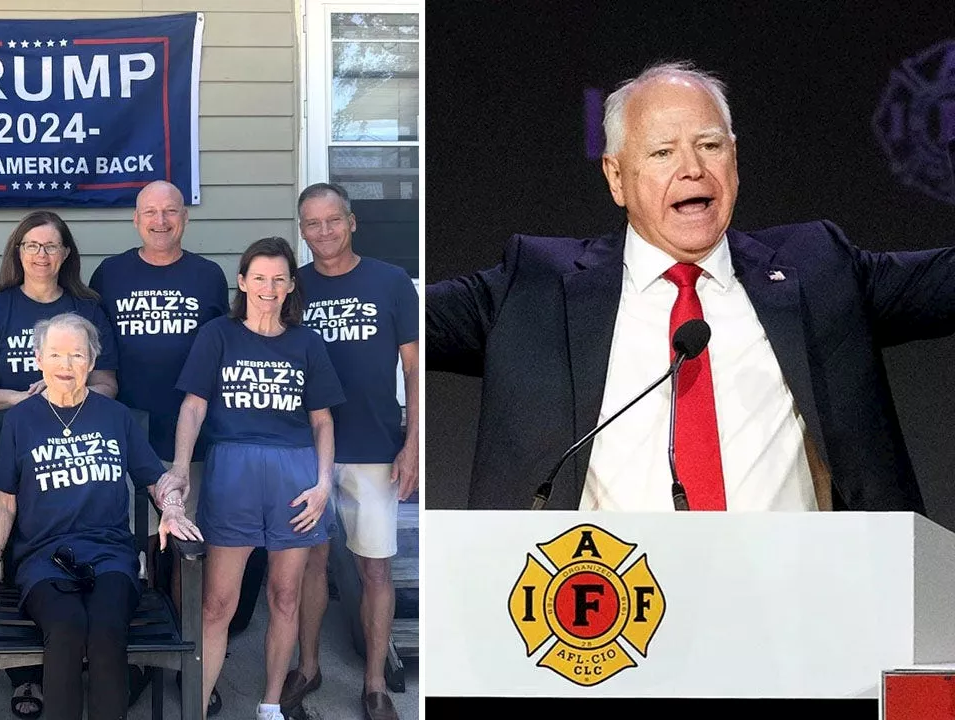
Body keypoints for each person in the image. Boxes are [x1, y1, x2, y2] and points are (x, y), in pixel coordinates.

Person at [425, 60, 955, 513]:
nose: (693, 169)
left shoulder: (818, 268)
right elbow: (389, 312)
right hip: (607, 612)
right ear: (616, 177)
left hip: (800, 599)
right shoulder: (535, 286)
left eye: (709, 145)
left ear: (735, 160)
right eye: (662, 153)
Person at [0, 312, 201, 720]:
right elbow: (4, 503)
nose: (66, 365)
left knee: (108, 629)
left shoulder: (115, 417)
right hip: (43, 559)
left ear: (92, 362)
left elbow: (155, 480)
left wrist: (173, 508)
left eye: (77, 355)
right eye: (56, 354)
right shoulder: (20, 420)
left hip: (111, 556)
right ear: (37, 359)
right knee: (68, 628)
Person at [168, 237, 345, 720]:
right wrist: (182, 470)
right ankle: (197, 708)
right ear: (243, 282)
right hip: (233, 473)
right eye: (259, 278)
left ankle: (270, 705)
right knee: (216, 603)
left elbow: (323, 420)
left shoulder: (306, 342)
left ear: (291, 286)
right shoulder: (217, 336)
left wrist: (324, 484)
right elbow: (193, 406)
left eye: (279, 278)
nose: (269, 287)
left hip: (294, 475)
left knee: (285, 595)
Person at [0, 209, 119, 718]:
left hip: (77, 460)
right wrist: (25, 400)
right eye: (32, 245)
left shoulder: (88, 309)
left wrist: (65, 392)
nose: (42, 255)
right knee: (24, 564)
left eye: (52, 246)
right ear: (18, 252)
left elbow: (109, 385)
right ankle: (28, 679)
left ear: (66, 254)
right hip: (17, 457)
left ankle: (78, 673)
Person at [88, 180, 230, 715]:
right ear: (136, 219)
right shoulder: (111, 274)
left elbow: (223, 354)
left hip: (186, 437)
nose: (162, 220)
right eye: (151, 211)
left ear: (185, 219)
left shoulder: (208, 276)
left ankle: (186, 658)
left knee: (181, 548)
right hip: (120, 435)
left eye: (172, 211)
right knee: (133, 548)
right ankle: (132, 656)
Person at [284, 182, 419, 720]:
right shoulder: (291, 286)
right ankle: (309, 666)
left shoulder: (389, 282)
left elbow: (413, 369)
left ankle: (373, 686)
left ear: (352, 221)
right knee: (310, 564)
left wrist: (414, 444)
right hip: (304, 449)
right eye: (312, 224)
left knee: (377, 571)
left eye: (332, 221)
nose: (323, 232)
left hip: (374, 446)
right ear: (302, 229)